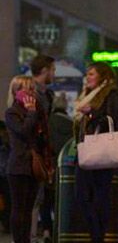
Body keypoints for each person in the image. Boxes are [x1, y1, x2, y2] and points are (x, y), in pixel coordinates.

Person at [73, 63, 118, 243]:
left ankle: (98, 236)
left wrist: (91, 113)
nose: (88, 77)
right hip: (86, 150)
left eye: (92, 74)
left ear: (103, 76)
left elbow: (111, 119)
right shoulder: (87, 95)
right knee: (82, 196)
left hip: (101, 151)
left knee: (100, 196)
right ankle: (96, 235)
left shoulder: (111, 94)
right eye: (87, 74)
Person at [6, 75, 49, 243]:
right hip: (19, 165)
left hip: (34, 165)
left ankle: (26, 239)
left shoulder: (37, 111)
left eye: (32, 88)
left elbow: (43, 137)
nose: (31, 92)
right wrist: (31, 113)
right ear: (16, 91)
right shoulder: (12, 112)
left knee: (29, 208)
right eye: (27, 88)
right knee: (19, 208)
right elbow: (23, 131)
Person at [30, 55, 56, 243]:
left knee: (40, 196)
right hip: (33, 152)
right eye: (53, 70)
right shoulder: (30, 93)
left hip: (43, 151)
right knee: (32, 197)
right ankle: (29, 237)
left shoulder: (48, 94)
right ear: (45, 70)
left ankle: (32, 235)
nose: (54, 74)